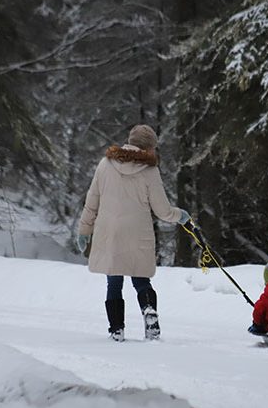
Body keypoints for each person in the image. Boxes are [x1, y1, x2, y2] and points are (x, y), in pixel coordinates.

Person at [77, 124, 190, 342]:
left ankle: (116, 329)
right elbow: (162, 211)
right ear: (148, 147)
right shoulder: (149, 170)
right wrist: (181, 216)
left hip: (110, 231)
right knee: (141, 280)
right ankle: (149, 313)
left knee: (114, 283)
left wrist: (85, 231)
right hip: (139, 232)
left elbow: (91, 203)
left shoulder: (105, 164)